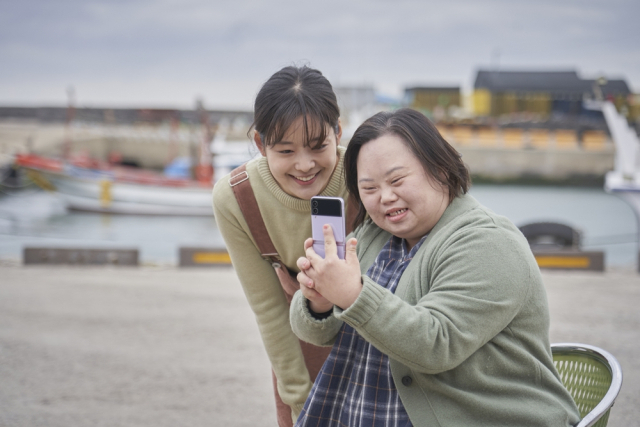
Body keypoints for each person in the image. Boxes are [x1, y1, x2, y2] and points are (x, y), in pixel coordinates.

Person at [290, 108, 581, 426]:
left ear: (440, 168)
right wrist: (318, 301)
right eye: (370, 188)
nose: (385, 197)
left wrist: (352, 295)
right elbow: (314, 333)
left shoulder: (489, 242)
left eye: (397, 180)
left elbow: (436, 345)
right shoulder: (374, 233)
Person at [212, 65, 351, 426]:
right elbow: (270, 310)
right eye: (286, 150)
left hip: (376, 340)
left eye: (319, 146)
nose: (304, 165)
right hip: (297, 348)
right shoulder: (236, 197)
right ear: (260, 143)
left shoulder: (363, 174)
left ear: (337, 132)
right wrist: (302, 402)